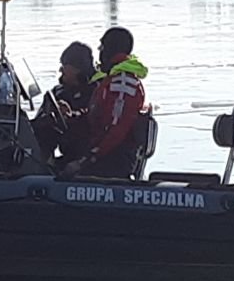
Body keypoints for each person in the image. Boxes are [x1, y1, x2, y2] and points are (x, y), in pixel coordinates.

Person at [62, 27, 148, 179]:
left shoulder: (122, 84)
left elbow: (115, 130)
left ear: (111, 49)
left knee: (61, 171)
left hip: (113, 161)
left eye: (102, 47)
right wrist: (73, 116)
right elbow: (102, 114)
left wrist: (88, 159)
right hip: (104, 154)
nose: (99, 51)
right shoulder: (112, 80)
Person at [32, 42, 100, 167]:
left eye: (64, 66)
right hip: (65, 150)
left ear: (76, 69)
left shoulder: (97, 92)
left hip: (86, 156)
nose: (60, 70)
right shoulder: (57, 93)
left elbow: (91, 122)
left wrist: (69, 116)